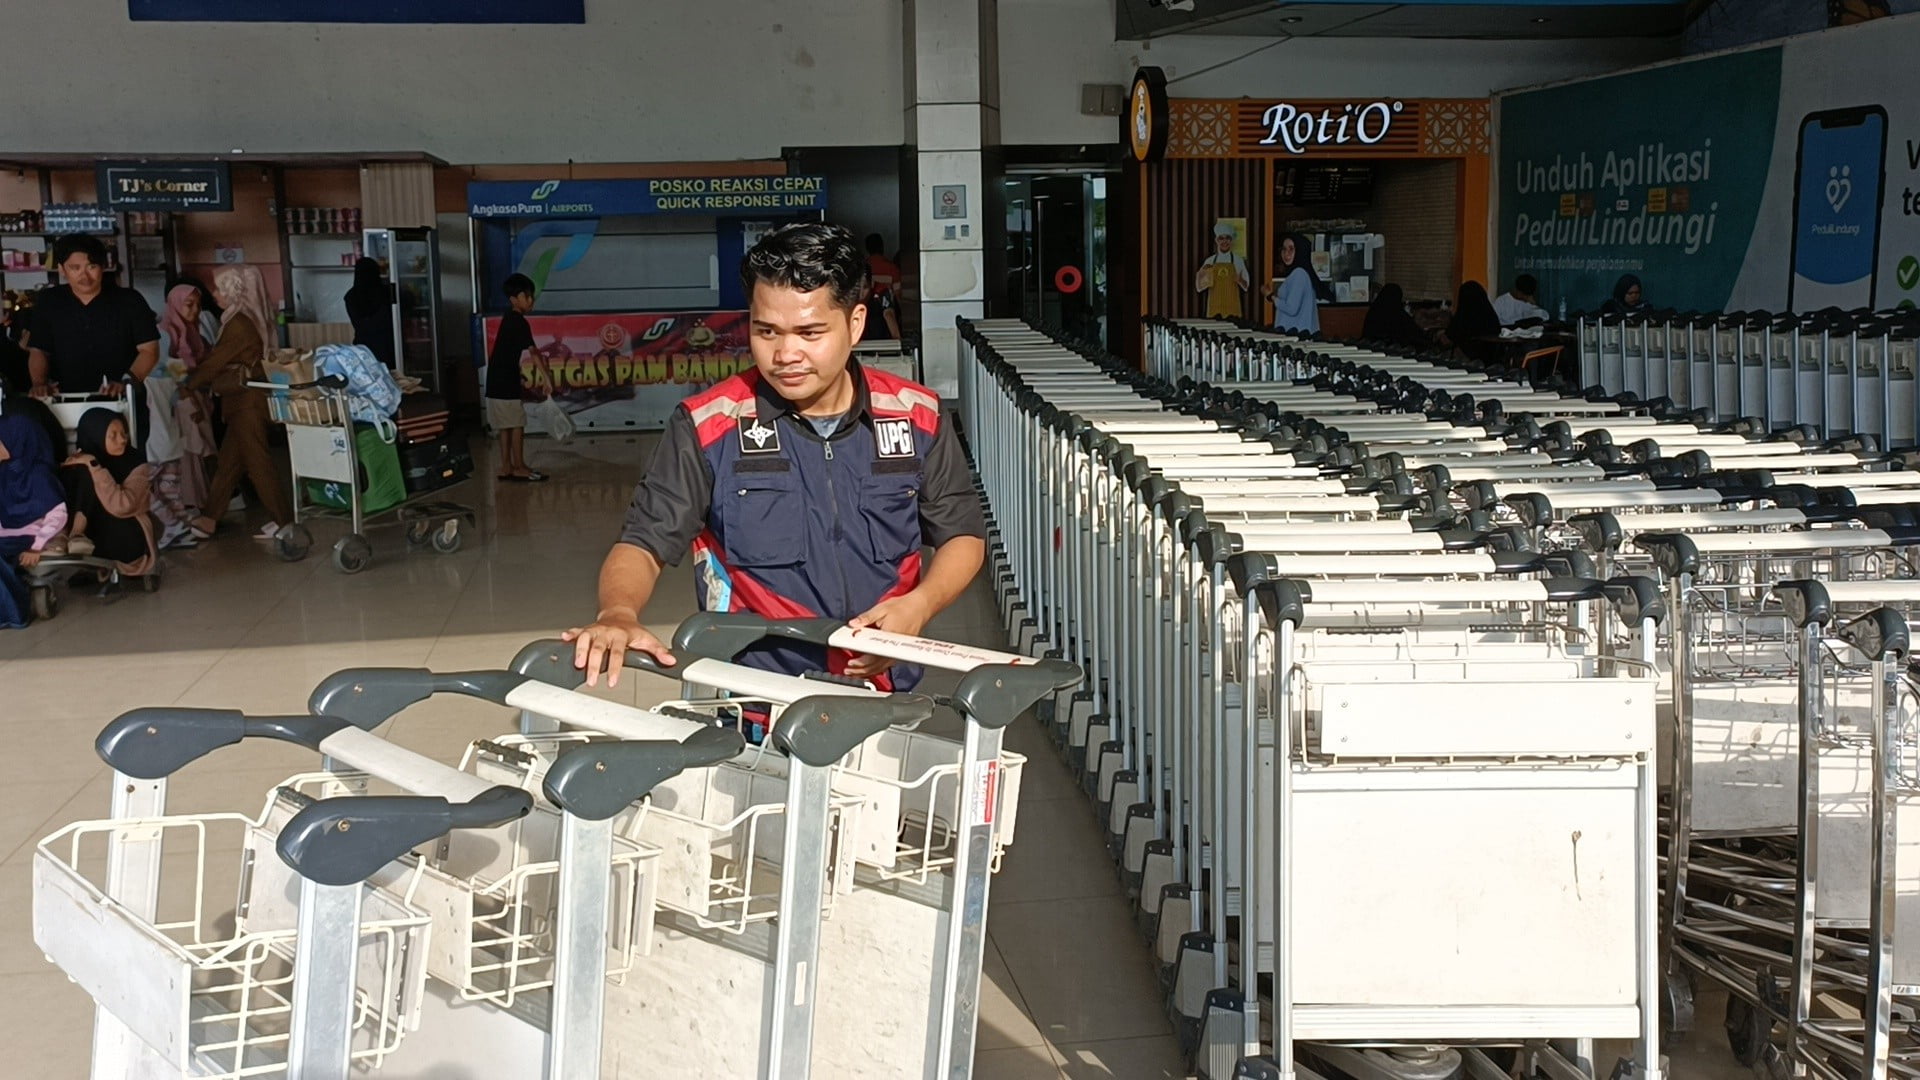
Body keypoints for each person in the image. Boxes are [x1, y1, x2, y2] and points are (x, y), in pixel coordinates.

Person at [563, 222, 987, 694]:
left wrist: (920, 606)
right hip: (754, 700)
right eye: (766, 331)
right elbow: (642, 542)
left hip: (886, 691)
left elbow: (962, 534)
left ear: (855, 323)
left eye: (810, 332)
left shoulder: (916, 416)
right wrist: (618, 613)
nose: (786, 354)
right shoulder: (708, 426)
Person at [187, 266, 293, 541]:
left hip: (246, 403)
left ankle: (284, 521)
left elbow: (216, 362)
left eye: (220, 288)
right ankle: (209, 518)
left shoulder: (239, 324)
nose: (215, 293)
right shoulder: (246, 319)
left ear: (234, 291)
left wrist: (188, 384)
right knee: (229, 464)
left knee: (257, 463)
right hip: (246, 401)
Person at [25, 235, 160, 443]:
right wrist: (39, 383)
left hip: (120, 402)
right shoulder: (50, 301)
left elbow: (149, 350)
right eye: (74, 268)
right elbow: (39, 350)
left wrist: (127, 381)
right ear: (61, 269)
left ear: (104, 266)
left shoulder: (129, 301)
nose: (84, 276)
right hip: (64, 402)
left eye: (91, 266)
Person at [149, 285, 215, 547]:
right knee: (182, 454)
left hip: (190, 395)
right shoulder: (166, 333)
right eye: (188, 305)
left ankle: (182, 517)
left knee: (183, 458)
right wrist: (187, 395)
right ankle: (180, 515)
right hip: (176, 401)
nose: (195, 310)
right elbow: (170, 371)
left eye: (197, 305)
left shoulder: (193, 331)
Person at [61, 407, 156, 578]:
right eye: (113, 435)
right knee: (82, 470)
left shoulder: (137, 462)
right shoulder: (80, 462)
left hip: (127, 537)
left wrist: (95, 466)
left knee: (88, 468)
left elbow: (123, 506)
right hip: (94, 536)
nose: (121, 440)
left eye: (123, 433)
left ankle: (80, 537)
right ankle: (77, 536)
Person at [0, 406, 71, 625]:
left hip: (30, 536)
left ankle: (14, 614)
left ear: (16, 439)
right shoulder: (4, 473)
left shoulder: (38, 475)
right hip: (6, 534)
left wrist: (37, 545)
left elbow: (57, 515)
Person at [484, 273, 548, 483]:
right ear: (514, 299)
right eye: (526, 297)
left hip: (496, 381)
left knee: (506, 426)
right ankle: (519, 466)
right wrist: (546, 378)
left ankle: (506, 467)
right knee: (517, 423)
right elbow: (534, 352)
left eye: (531, 297)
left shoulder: (509, 318)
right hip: (505, 382)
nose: (531, 301)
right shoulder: (518, 321)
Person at [1263, 232, 1322, 335]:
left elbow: (1291, 308)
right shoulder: (1300, 273)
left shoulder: (1299, 274)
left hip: (1295, 336)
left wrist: (1271, 296)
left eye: (1291, 249)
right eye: (1284, 249)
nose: (1286, 254)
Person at [343, 258, 398, 369]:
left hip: (363, 349)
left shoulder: (350, 297)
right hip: (389, 348)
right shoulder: (386, 292)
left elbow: (360, 324)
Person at [1194, 223, 1251, 320]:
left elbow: (1246, 286)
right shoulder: (1210, 261)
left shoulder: (1238, 261)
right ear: (1217, 240)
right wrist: (1201, 276)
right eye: (1221, 238)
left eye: (1227, 238)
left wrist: (1240, 280)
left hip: (1233, 310)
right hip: (1214, 309)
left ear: (1231, 240)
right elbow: (1199, 288)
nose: (1224, 241)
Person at [1445, 281, 1505, 364]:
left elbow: (1451, 336)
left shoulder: (1463, 316)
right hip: (1492, 361)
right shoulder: (1490, 315)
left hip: (1468, 361)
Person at [1361, 284, 1427, 350]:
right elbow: (1416, 336)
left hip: (1370, 351)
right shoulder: (1398, 314)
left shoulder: (1373, 312)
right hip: (1395, 353)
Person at [862, 233, 903, 341]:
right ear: (882, 247)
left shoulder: (862, 268)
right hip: (884, 329)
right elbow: (898, 296)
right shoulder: (892, 268)